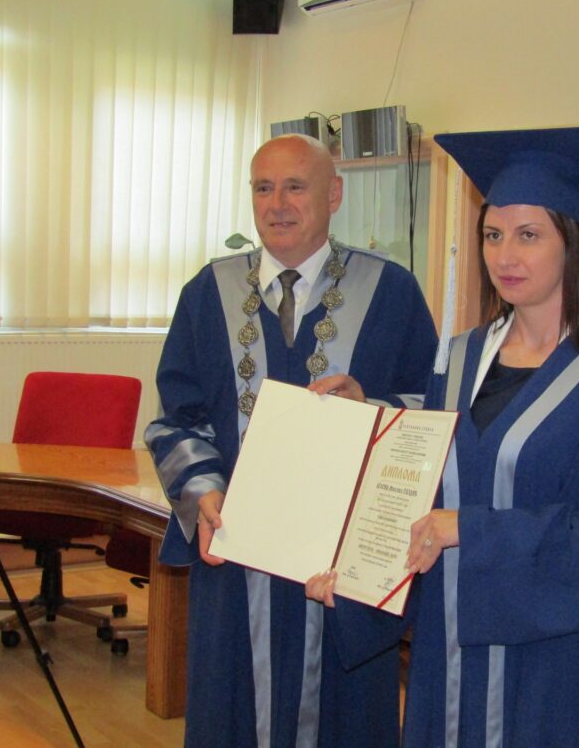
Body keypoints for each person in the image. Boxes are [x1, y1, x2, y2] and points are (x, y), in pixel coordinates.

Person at [145, 133, 438, 748]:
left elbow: (426, 416)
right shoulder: (208, 293)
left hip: (340, 573)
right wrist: (203, 493)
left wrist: (369, 407)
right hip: (235, 558)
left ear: (334, 195)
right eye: (263, 188)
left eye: (295, 187)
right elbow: (177, 417)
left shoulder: (391, 292)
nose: (277, 204)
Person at [399, 127, 579, 747]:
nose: (504, 257)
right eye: (493, 235)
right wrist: (356, 565)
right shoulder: (455, 360)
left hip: (555, 670)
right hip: (450, 655)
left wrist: (470, 529)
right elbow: (419, 494)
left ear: (570, 244)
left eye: (528, 235)